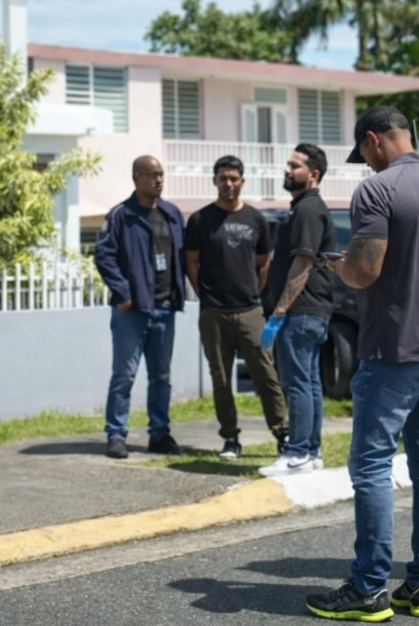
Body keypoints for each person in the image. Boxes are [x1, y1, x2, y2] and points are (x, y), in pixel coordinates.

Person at [304, 106, 419, 621]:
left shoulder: (377, 190)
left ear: (374, 140)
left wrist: (341, 266)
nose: (365, 165)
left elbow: (365, 270)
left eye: (365, 155)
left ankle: (369, 587)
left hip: (392, 349)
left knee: (373, 465)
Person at [184, 155, 288, 459]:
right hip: (213, 312)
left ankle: (282, 434)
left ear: (242, 181)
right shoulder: (200, 220)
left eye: (233, 179)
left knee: (267, 375)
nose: (228, 184)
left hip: (250, 311)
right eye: (223, 179)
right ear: (215, 181)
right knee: (221, 380)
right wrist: (204, 296)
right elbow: (191, 263)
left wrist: (251, 295)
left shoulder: (256, 219)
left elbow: (263, 264)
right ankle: (230, 438)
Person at [94, 155, 185, 459]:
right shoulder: (120, 215)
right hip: (132, 312)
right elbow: (104, 256)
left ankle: (160, 434)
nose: (159, 180)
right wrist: (123, 294)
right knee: (124, 375)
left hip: (165, 308)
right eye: (152, 174)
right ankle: (116, 434)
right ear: (136, 178)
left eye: (161, 174)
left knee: (162, 377)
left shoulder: (172, 213)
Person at [258, 143, 335, 476]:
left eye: (295, 166)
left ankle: (298, 452)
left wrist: (279, 311)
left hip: (301, 310)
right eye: (287, 165)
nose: (287, 170)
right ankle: (311, 452)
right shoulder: (304, 208)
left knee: (298, 383)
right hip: (310, 311)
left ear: (313, 174)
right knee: (310, 382)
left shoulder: (307, 210)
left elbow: (303, 262)